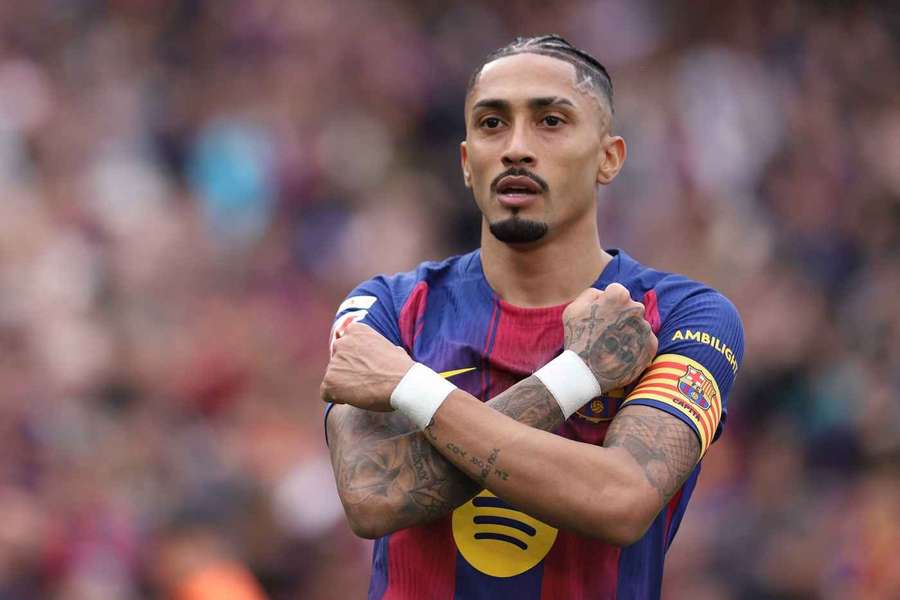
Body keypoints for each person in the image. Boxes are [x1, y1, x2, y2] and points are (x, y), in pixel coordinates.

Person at [321, 35, 744, 599]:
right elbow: (371, 494)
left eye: (550, 121)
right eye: (493, 124)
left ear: (609, 158)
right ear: (468, 163)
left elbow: (620, 500)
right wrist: (579, 378)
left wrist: (407, 386)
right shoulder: (388, 309)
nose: (517, 147)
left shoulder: (683, 318)